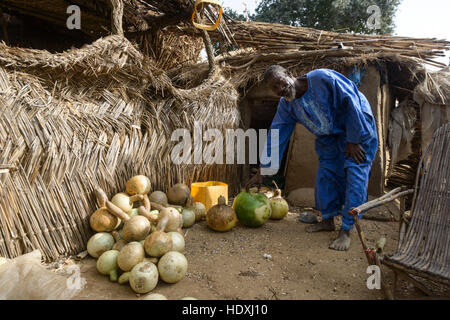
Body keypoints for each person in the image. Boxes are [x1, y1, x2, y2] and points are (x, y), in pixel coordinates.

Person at [246, 65, 378, 251]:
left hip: (358, 128)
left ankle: (346, 230)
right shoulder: (287, 105)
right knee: (326, 175)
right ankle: (327, 220)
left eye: (279, 83)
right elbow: (277, 134)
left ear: (290, 74)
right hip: (329, 138)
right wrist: (263, 170)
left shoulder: (321, 78)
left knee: (355, 175)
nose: (279, 90)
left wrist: (354, 139)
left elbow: (351, 101)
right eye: (274, 89)